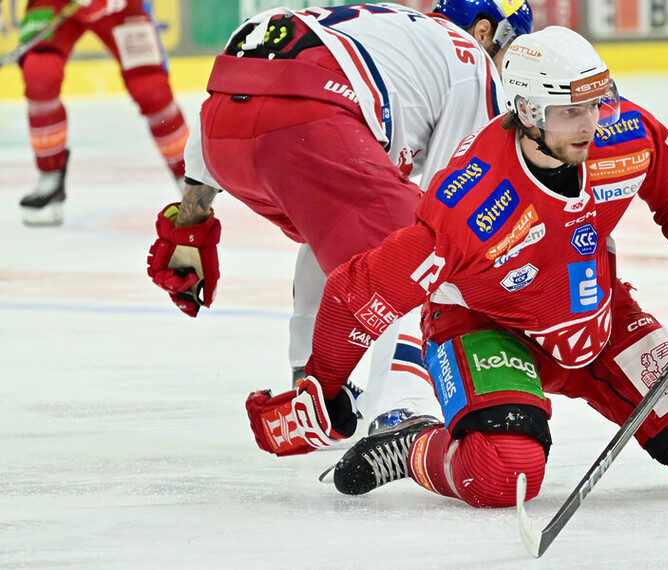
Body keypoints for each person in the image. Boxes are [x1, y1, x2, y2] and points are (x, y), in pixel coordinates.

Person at [245, 26, 668, 506]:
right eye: (571, 112)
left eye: (599, 101)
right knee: (506, 474)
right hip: (484, 327)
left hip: (599, 321)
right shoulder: (471, 202)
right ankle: (417, 446)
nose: (593, 123)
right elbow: (359, 292)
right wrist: (320, 388)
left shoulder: (622, 132)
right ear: (526, 111)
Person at [144, 0, 533, 435]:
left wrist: (190, 225)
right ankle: (399, 408)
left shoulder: (397, 32)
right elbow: (445, 217)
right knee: (424, 250)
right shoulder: (470, 60)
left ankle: (311, 385)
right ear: (484, 32)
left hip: (222, 129)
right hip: (307, 121)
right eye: (512, 49)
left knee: (333, 223)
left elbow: (241, 94)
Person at [17, 0, 188, 226]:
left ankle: (189, 178)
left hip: (120, 6)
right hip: (55, 3)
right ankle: (50, 176)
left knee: (151, 90)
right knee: (41, 74)